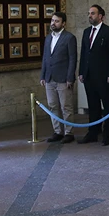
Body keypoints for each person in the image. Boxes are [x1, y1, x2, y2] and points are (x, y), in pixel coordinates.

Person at [78, 5, 109, 145]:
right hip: (89, 75)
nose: (90, 16)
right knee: (93, 105)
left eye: (93, 13)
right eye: (89, 13)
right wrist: (81, 72)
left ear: (101, 16)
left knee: (107, 105)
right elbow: (83, 53)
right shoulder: (86, 31)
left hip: (103, 75)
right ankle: (93, 132)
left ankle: (107, 133)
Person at [40, 11, 77, 144]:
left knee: (66, 106)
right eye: (52, 21)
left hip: (63, 78)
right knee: (52, 105)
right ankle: (57, 131)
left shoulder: (69, 38)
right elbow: (45, 58)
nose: (53, 23)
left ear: (63, 23)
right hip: (49, 77)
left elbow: (73, 59)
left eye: (56, 21)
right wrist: (42, 75)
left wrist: (70, 78)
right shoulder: (48, 38)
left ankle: (68, 132)